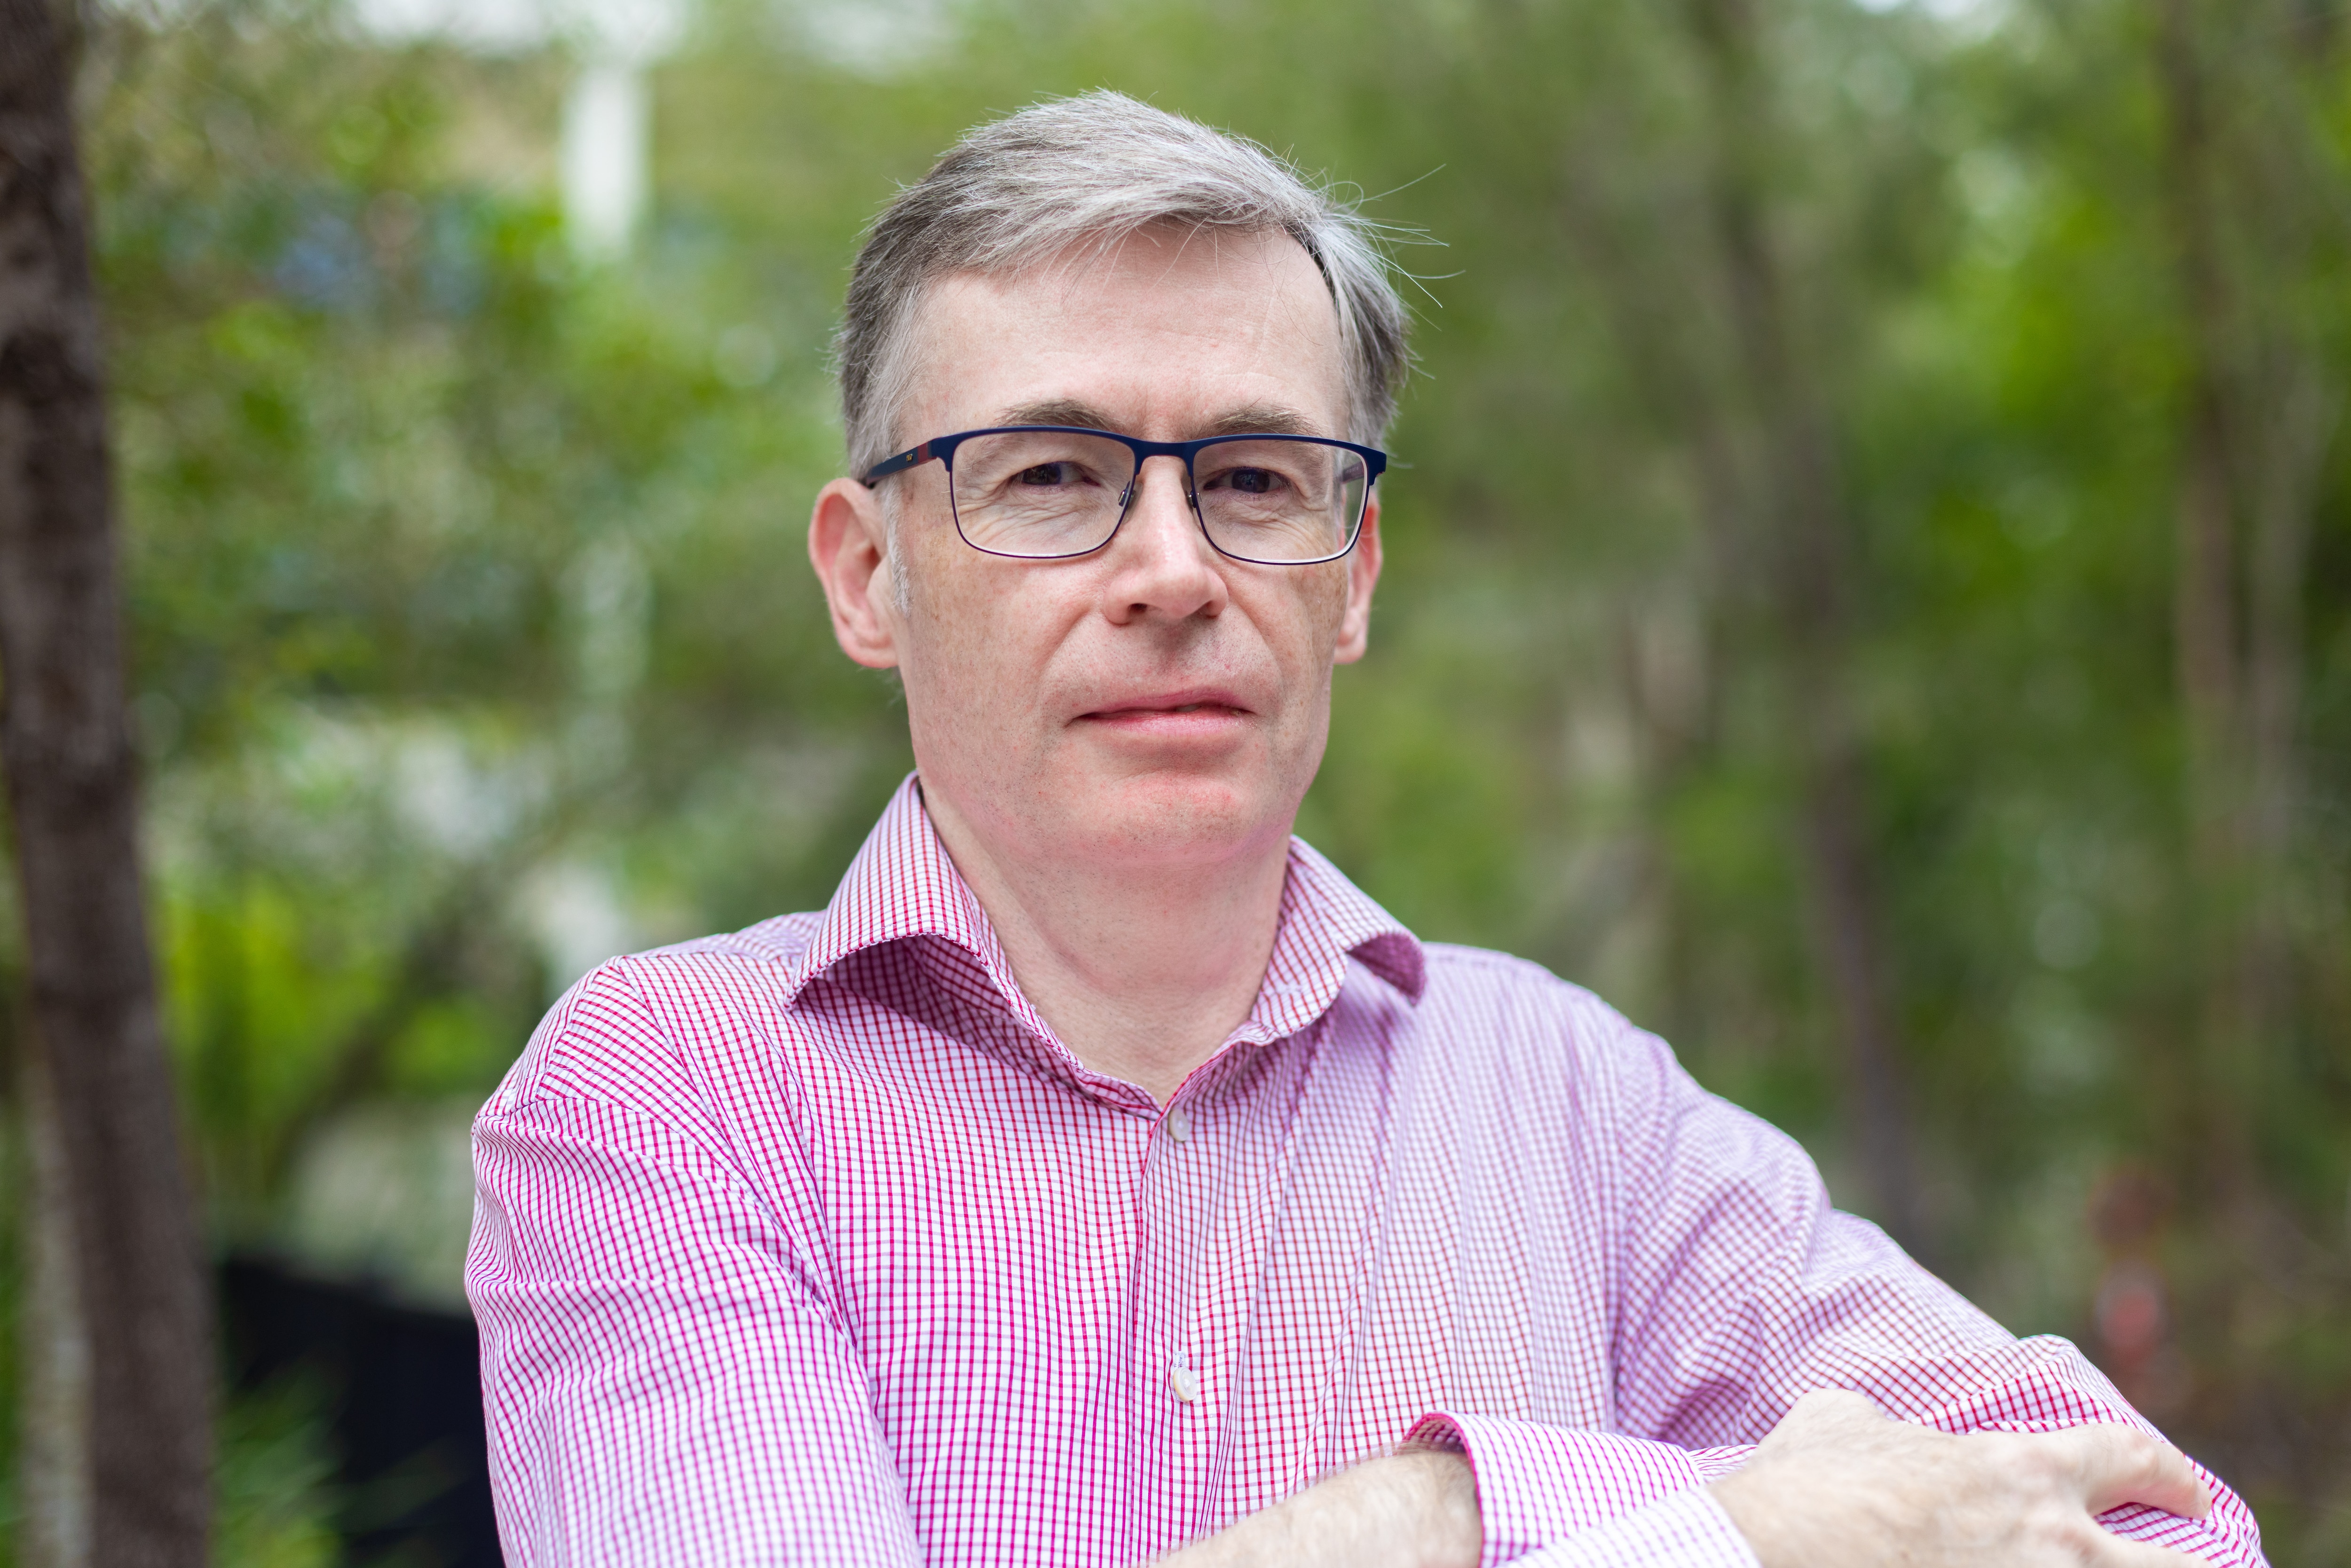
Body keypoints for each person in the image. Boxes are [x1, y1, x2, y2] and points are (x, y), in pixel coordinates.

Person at [465, 92, 2264, 1567]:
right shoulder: (663, 1103)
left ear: (1355, 575)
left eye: (1255, 481)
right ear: (869, 576)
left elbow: (2167, 1530)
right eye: (1051, 478)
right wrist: (1579, 1518)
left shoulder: (1580, 1112)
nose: (1172, 572)